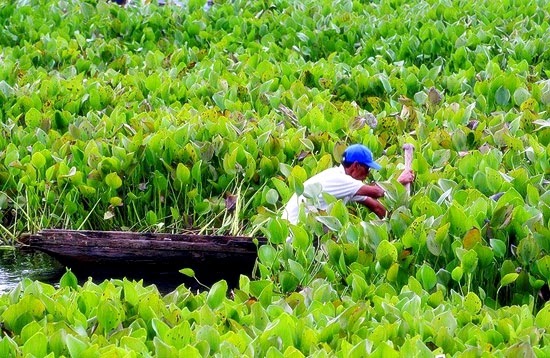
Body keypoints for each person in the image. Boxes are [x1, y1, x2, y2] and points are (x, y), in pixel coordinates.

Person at [282, 144, 414, 225]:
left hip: (307, 230)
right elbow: (377, 192)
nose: (368, 174)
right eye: (367, 169)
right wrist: (399, 180)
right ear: (356, 166)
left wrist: (397, 223)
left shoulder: (346, 184)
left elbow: (375, 206)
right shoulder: (339, 179)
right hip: (294, 233)